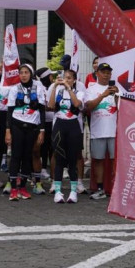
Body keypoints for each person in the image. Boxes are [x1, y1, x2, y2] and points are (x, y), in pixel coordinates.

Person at [5, 64, 46, 201]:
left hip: (32, 126)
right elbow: (9, 112)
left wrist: (42, 130)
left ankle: (22, 187)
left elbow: (41, 110)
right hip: (17, 125)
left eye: (26, 72)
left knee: (27, 156)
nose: (23, 75)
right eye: (21, 72)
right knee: (16, 155)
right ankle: (13, 188)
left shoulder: (38, 88)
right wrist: (8, 130)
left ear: (31, 73)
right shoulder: (14, 89)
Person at [47, 69, 85, 203]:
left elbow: (76, 104)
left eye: (69, 78)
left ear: (74, 80)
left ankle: (73, 192)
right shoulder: (57, 91)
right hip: (59, 125)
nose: (66, 80)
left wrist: (69, 89)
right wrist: (55, 87)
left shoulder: (79, 92)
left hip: (73, 125)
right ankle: (58, 191)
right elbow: (51, 106)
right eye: (65, 78)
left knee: (72, 159)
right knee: (58, 158)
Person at [84, 62, 121, 199]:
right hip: (98, 131)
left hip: (114, 131)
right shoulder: (91, 88)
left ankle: (115, 189)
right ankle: (99, 189)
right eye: (103, 72)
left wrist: (116, 96)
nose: (106, 75)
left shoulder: (117, 89)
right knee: (98, 160)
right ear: (97, 73)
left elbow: (122, 109)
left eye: (108, 72)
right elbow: (89, 107)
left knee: (114, 161)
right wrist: (103, 95)